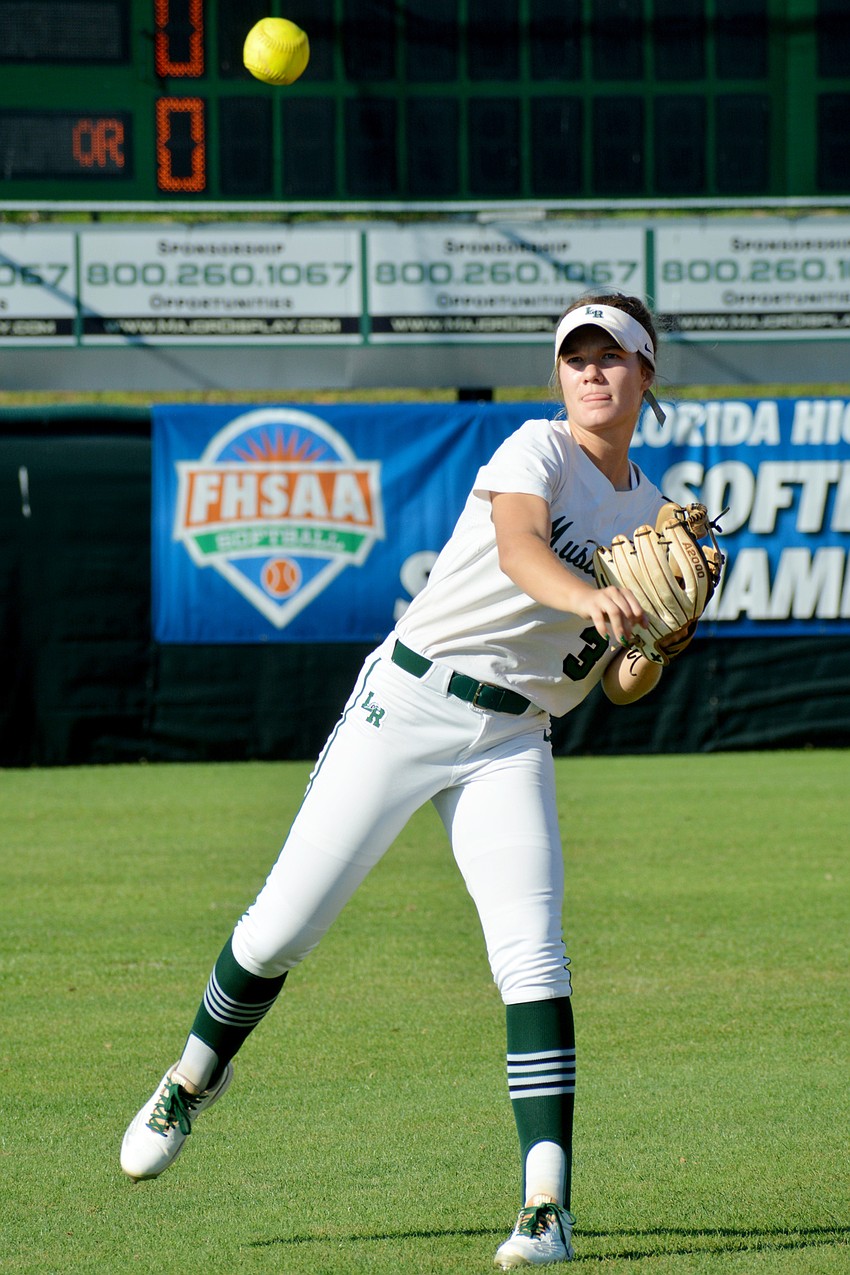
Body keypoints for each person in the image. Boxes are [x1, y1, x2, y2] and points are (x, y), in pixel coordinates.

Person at [121, 291, 676, 1269]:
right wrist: (596, 596)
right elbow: (518, 553)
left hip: (512, 739)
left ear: (645, 373)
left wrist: (655, 640)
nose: (591, 372)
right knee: (281, 929)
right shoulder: (534, 454)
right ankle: (194, 1077)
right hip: (406, 708)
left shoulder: (657, 515)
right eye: (576, 357)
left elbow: (623, 686)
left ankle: (546, 1206)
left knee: (533, 957)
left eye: (612, 357)